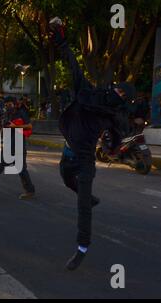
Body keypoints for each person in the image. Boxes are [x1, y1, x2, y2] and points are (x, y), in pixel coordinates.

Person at [49, 18, 136, 271]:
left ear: (124, 101)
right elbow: (73, 64)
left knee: (83, 205)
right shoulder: (87, 91)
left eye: (122, 96)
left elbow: (120, 135)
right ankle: (89, 199)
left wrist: (112, 146)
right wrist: (60, 38)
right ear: (114, 87)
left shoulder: (114, 115)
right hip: (68, 153)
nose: (117, 95)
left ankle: (81, 248)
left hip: (86, 159)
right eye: (118, 91)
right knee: (66, 179)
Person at [0, 98, 35, 201]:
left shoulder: (21, 113)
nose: (7, 107)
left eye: (9, 104)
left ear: (14, 104)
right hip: (8, 145)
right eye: (6, 105)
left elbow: (29, 126)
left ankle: (30, 191)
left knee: (21, 170)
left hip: (19, 145)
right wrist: (1, 130)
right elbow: (3, 130)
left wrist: (16, 126)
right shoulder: (6, 115)